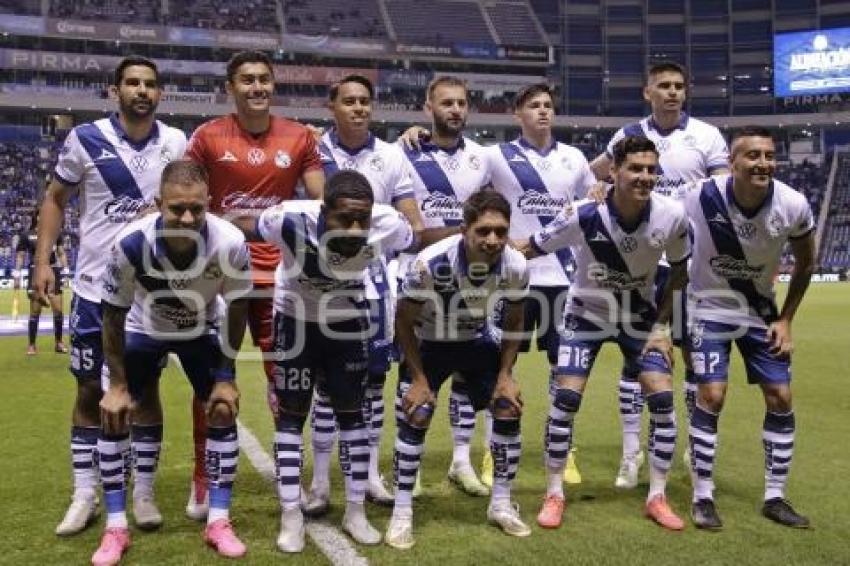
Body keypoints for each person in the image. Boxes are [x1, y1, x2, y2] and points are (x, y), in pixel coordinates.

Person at [34, 56, 187, 536]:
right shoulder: (85, 139)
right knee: (87, 389)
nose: (142, 91)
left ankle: (142, 491)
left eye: (150, 84)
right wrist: (43, 261)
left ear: (159, 93)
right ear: (114, 90)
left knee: (145, 391)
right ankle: (85, 492)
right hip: (94, 288)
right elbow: (55, 198)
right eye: (132, 83)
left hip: (150, 292)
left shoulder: (176, 143)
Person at [234, 170, 416, 553]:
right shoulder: (286, 218)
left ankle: (355, 511)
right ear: (323, 211)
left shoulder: (389, 225)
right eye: (343, 219)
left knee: (353, 416)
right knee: (291, 416)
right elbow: (245, 225)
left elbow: (415, 233)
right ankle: (291, 515)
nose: (353, 229)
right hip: (296, 322)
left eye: (361, 221)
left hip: (347, 323)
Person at [518, 135, 690, 530]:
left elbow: (679, 269)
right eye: (635, 168)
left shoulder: (672, 215)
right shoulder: (584, 213)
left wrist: (662, 326)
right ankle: (554, 493)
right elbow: (532, 246)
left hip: (639, 320)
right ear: (614, 171)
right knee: (564, 400)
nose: (645, 176)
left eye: (651, 169)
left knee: (663, 400)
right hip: (585, 316)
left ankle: (657, 497)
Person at [184, 49, 324, 519]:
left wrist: (254, 220)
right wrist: (242, 223)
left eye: (265, 78)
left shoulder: (300, 137)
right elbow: (189, 199)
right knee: (210, 380)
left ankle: (291, 476)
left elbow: (318, 204)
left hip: (282, 278)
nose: (258, 86)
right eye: (248, 79)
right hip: (224, 275)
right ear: (231, 87)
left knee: (287, 381)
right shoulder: (207, 137)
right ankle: (203, 478)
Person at [90, 161, 252, 565]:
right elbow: (111, 315)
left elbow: (238, 308)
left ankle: (218, 520)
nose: (187, 218)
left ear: (209, 205)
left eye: (197, 209)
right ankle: (115, 527)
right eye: (177, 208)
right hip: (144, 327)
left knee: (221, 407)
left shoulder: (229, 241)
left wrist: (226, 375)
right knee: (114, 412)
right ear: (158, 204)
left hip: (201, 330)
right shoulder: (130, 244)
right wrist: (117, 385)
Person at [589, 61, 730, 488]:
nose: (672, 92)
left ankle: (688, 444)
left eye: (679, 86)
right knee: (637, 360)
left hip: (689, 265)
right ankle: (631, 454)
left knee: (689, 354)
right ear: (647, 91)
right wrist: (595, 187)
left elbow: (722, 193)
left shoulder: (705, 136)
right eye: (663, 86)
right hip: (638, 265)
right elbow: (594, 172)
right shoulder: (627, 134)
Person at [303, 74, 424, 513]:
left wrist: (382, 226)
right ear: (331, 106)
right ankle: (319, 481)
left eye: (365, 101)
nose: (359, 108)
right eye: (349, 101)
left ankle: (369, 472)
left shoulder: (392, 156)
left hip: (374, 292)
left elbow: (413, 225)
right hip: (319, 289)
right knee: (323, 388)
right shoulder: (311, 150)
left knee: (373, 386)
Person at [683, 127, 815, 530]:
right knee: (712, 394)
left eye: (769, 155)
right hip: (707, 308)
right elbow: (648, 204)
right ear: (733, 162)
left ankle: (775, 496)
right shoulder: (700, 194)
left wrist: (786, 319)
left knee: (780, 396)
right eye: (753, 155)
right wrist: (599, 192)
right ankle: (702, 495)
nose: (763, 163)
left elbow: (807, 263)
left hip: (759, 313)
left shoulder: (792, 204)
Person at [386, 191, 530, 550]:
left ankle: (500, 504)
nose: (493, 240)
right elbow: (402, 321)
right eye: (484, 231)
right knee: (416, 413)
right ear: (464, 229)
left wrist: (506, 375)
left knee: (508, 407)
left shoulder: (515, 264)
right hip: (428, 343)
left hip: (474, 339)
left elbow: (515, 319)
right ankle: (401, 512)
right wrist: (418, 379)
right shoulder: (431, 263)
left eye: (501, 230)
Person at [482, 83, 595, 487]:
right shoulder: (495, 157)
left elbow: (592, 207)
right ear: (518, 113)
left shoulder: (574, 158)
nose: (543, 111)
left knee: (563, 369)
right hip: (511, 278)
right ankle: (493, 452)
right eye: (534, 106)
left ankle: (563, 452)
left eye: (548, 105)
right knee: (498, 366)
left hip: (562, 279)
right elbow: (462, 182)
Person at [395, 76, 494, 497]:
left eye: (461, 103)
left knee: (464, 372)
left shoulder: (483, 158)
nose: (455, 110)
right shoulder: (404, 152)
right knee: (411, 370)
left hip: (470, 276)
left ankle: (460, 461)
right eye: (446, 103)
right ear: (428, 108)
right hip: (418, 272)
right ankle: (409, 466)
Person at [15, 209, 69, 355]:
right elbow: (20, 256)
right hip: (35, 271)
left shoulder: (55, 232)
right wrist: (17, 274)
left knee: (58, 310)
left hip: (53, 271)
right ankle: (32, 345)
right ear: (36, 217)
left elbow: (61, 253)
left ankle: (59, 343)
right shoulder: (27, 235)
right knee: (35, 311)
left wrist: (66, 270)